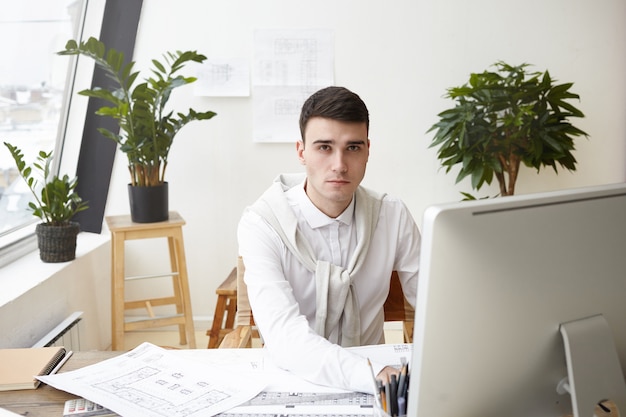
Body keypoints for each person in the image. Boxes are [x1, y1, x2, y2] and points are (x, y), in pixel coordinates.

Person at [237, 86, 420, 394]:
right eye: (324, 147)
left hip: (380, 387)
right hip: (296, 380)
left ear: (367, 150)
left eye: (353, 148)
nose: (339, 164)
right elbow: (285, 338)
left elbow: (434, 304)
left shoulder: (393, 215)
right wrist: (372, 374)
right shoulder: (261, 224)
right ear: (301, 151)